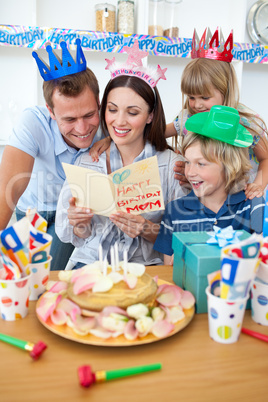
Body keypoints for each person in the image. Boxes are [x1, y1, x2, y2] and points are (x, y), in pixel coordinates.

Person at [90, 30, 268, 200]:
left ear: (225, 91)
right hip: (206, 198)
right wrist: (111, 139)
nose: (197, 104)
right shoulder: (187, 119)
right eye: (191, 97)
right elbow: (152, 132)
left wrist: (258, 185)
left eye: (205, 97)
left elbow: (266, 158)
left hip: (244, 196)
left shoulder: (246, 124)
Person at [55, 42, 187, 269]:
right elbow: (75, 236)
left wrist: (146, 228)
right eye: (112, 109)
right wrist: (79, 223)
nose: (119, 121)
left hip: (144, 268)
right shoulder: (88, 161)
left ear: (150, 116)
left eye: (133, 112)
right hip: (90, 265)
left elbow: (186, 239)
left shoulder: (171, 167)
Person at [0, 39, 101, 270]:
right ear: (51, 111)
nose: (83, 129)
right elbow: (10, 187)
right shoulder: (33, 122)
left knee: (48, 274)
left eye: (89, 115)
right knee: (22, 274)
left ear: (99, 103)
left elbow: (143, 131)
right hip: (32, 211)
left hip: (73, 213)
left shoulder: (110, 121)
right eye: (69, 119)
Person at [153, 105, 265, 265]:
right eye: (187, 162)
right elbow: (169, 269)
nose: (190, 172)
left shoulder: (252, 206)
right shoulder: (174, 212)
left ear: (229, 166)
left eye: (201, 164)